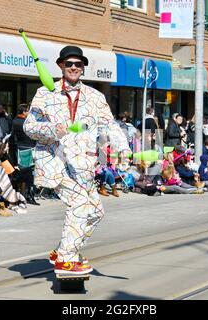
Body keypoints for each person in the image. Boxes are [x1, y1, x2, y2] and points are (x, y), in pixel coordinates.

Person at [23, 45, 130, 275]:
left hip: (83, 165)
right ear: (61, 66)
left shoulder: (95, 97)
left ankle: (64, 249)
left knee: (96, 212)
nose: (73, 67)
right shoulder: (44, 94)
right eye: (69, 63)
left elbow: (109, 126)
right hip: (54, 162)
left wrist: (123, 149)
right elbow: (29, 127)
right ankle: (67, 258)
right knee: (80, 204)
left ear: (83, 68)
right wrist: (53, 129)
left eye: (78, 64)